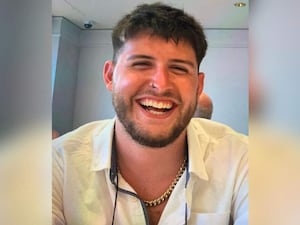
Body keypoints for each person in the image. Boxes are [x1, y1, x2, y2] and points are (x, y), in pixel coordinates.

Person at [52, 3, 248, 225]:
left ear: (198, 85)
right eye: (141, 64)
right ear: (110, 76)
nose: (161, 85)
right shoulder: (56, 164)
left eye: (179, 68)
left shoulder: (243, 159)